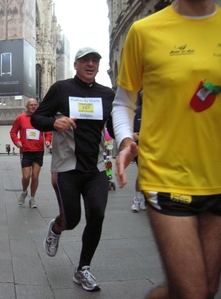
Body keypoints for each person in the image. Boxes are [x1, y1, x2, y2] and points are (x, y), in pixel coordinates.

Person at [112, 1, 221, 298]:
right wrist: (125, 142)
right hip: (166, 175)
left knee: (204, 290)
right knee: (194, 293)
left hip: (216, 175)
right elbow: (124, 101)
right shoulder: (145, 30)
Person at [31, 47, 115, 292]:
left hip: (96, 167)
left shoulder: (106, 94)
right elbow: (37, 118)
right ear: (76, 65)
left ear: (98, 66)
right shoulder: (61, 89)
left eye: (95, 61)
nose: (90, 64)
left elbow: (114, 124)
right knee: (72, 220)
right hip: (67, 167)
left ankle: (83, 269)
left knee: (97, 214)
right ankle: (56, 228)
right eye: (85, 60)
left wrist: (129, 139)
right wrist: (53, 122)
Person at [10, 98, 52, 208]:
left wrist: (48, 140)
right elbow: (13, 132)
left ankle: (32, 198)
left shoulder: (41, 118)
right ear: (26, 107)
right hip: (26, 151)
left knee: (35, 176)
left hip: (38, 151)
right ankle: (24, 191)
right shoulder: (20, 118)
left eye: (35, 105)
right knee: (26, 176)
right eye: (31, 105)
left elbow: (48, 131)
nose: (33, 106)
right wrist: (17, 141)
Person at [130, 91, 146, 212]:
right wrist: (133, 134)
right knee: (142, 172)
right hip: (141, 147)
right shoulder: (137, 112)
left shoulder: (161, 110)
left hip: (157, 148)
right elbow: (130, 129)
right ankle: (137, 199)